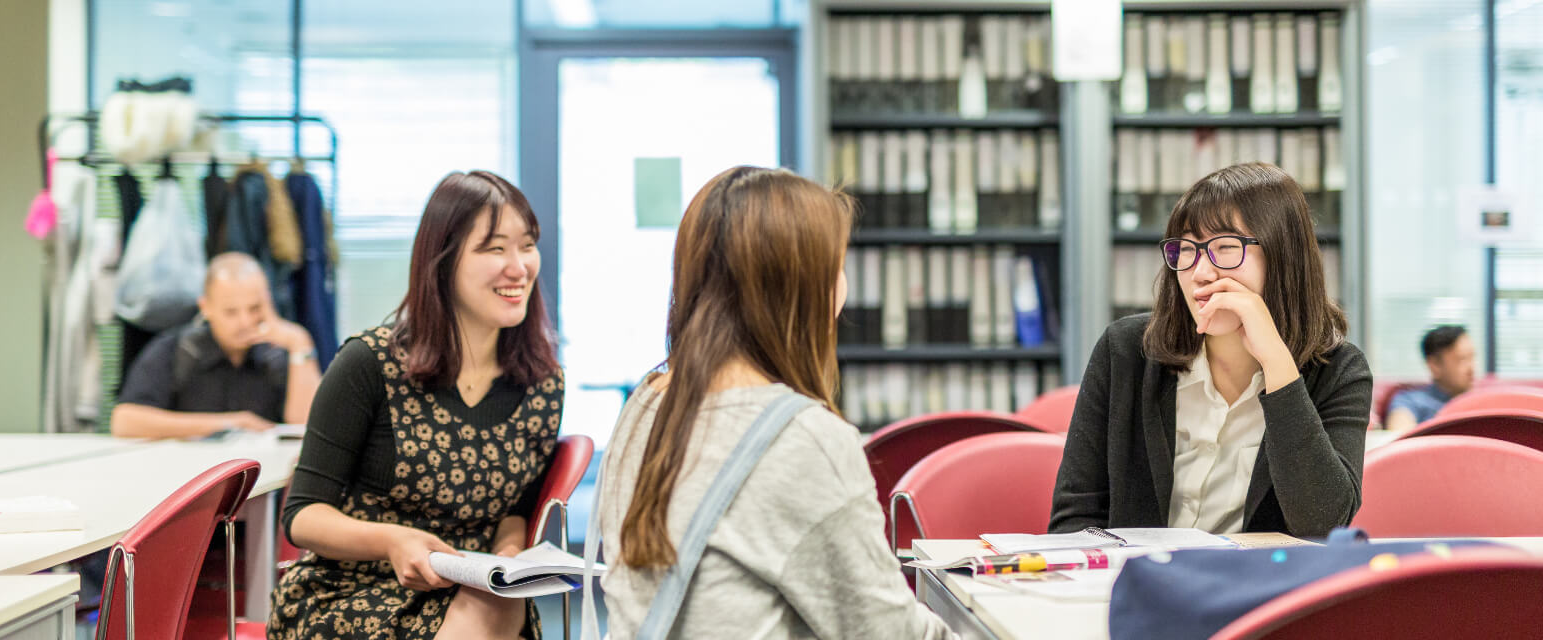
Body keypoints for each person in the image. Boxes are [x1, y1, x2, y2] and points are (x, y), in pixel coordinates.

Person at [595, 166, 951, 639]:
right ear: (802, 288)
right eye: (836, 265)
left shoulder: (646, 403)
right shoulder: (801, 439)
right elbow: (887, 633)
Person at [269, 171, 563, 640]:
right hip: (352, 589)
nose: (519, 267)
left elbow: (514, 511)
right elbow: (303, 516)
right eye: (494, 249)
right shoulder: (369, 363)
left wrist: (508, 558)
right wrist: (392, 540)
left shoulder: (542, 384)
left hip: (472, 588)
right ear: (443, 263)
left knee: (497, 611)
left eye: (527, 245)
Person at [1049, 162, 1373, 539]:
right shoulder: (1124, 352)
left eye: (1225, 247)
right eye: (1187, 250)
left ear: (1284, 257)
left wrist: (1278, 365)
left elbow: (1322, 525)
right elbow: (1073, 522)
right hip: (1136, 587)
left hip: (1262, 593)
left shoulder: (1340, 370)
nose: (1200, 272)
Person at [109, 251, 322, 438]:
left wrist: (299, 342)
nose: (245, 322)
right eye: (231, 312)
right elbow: (125, 421)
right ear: (206, 307)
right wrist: (231, 424)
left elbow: (306, 429)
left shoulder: (280, 353)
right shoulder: (177, 349)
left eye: (255, 308)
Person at [1384, 325, 1476, 430]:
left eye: (1472, 357)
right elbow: (1399, 435)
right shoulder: (1410, 401)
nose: (1471, 368)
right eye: (1462, 359)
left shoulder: (1481, 401)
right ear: (1434, 365)